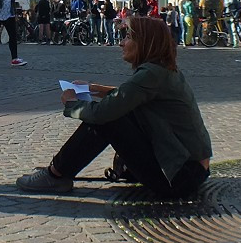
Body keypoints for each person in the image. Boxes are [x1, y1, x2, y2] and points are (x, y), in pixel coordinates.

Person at [16, 17, 211, 197]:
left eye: (127, 37)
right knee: (114, 113)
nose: (121, 43)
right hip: (190, 171)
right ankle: (61, 171)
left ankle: (55, 175)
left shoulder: (150, 75)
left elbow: (104, 112)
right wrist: (93, 88)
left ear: (144, 42)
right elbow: (128, 95)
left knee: (107, 118)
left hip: (180, 177)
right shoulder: (162, 70)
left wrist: (71, 103)